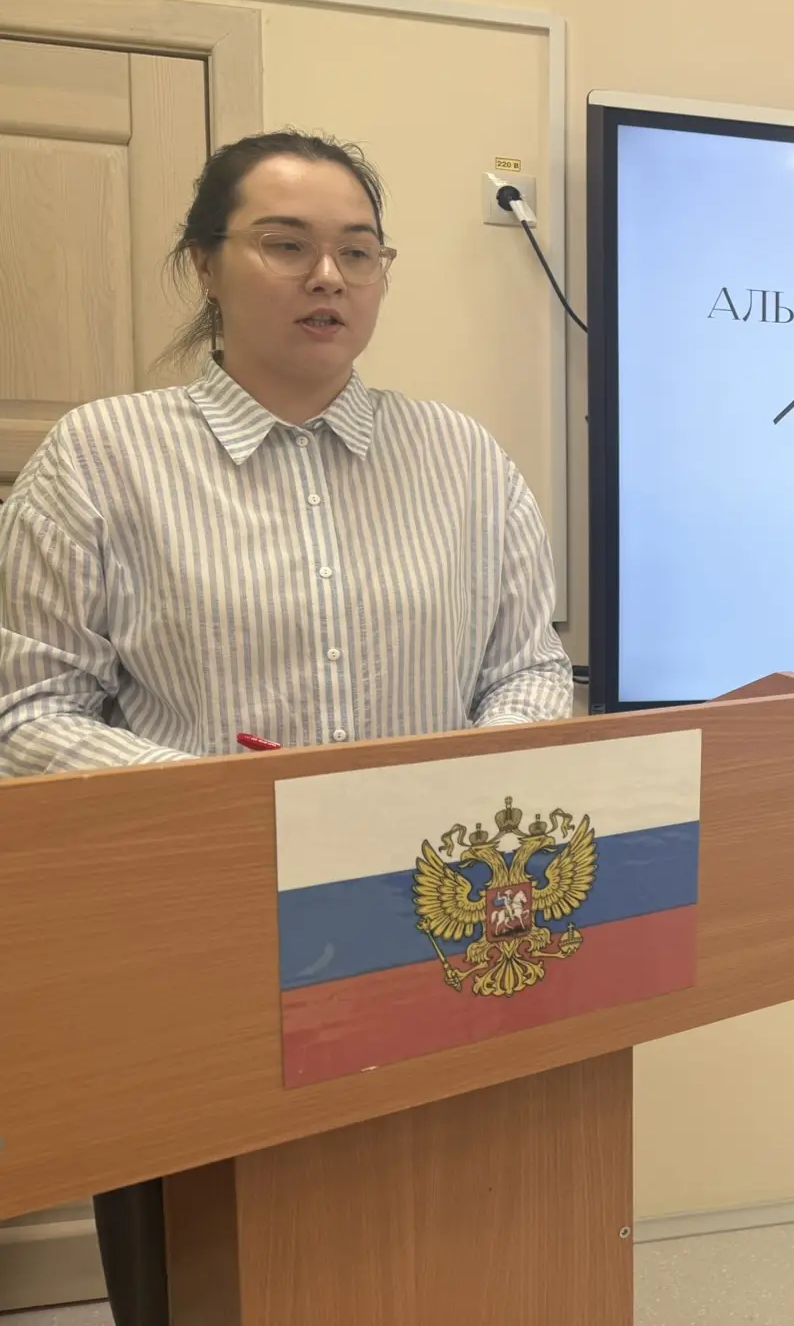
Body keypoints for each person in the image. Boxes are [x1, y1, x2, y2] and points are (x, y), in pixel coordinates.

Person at [0, 131, 573, 1325]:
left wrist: (462, 789)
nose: (328, 277)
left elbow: (527, 668)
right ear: (205, 265)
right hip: (195, 935)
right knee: (213, 1269)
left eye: (359, 252)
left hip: (432, 930)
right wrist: (235, 810)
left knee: (427, 1242)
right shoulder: (101, 457)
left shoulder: (464, 460)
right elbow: (30, 712)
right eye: (286, 245)